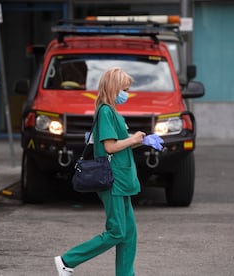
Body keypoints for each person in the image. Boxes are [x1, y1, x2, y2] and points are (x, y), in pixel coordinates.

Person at [54, 67, 146, 276]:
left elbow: (117, 143)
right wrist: (132, 139)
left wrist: (140, 141)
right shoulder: (105, 111)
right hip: (113, 181)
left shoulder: (111, 111)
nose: (127, 93)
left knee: (129, 234)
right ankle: (68, 260)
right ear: (114, 88)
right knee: (117, 232)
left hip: (121, 180)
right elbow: (110, 147)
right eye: (125, 89)